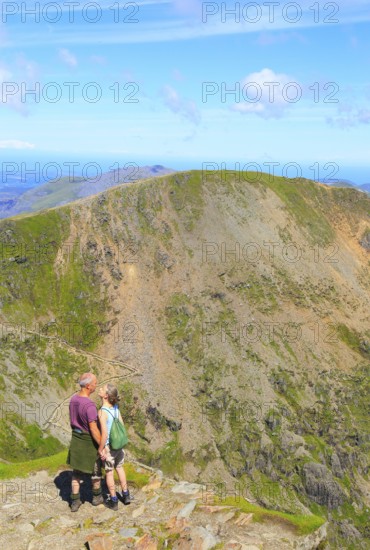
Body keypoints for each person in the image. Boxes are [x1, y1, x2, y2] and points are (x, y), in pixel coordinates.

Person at [67, 372, 104, 512]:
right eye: (95, 383)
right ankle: (96, 497)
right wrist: (102, 445)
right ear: (88, 386)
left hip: (76, 439)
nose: (96, 385)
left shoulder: (73, 399)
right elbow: (94, 429)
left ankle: (75, 501)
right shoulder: (89, 405)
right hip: (89, 441)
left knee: (76, 472)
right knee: (95, 471)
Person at [98, 383, 131, 510]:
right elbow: (121, 425)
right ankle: (126, 494)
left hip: (109, 448)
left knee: (109, 473)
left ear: (106, 396)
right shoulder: (116, 407)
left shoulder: (102, 412)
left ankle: (114, 500)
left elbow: (105, 434)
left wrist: (102, 449)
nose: (100, 389)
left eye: (102, 389)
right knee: (120, 468)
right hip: (119, 445)